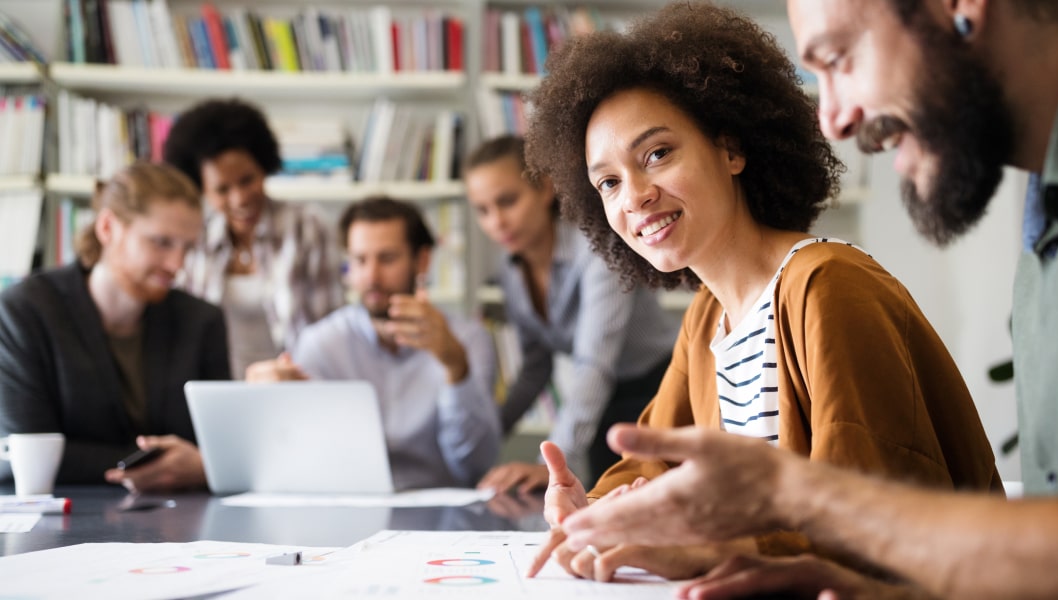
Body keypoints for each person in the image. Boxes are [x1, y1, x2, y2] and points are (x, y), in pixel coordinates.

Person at [555, 0, 1058, 597]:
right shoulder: (1047, 230)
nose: (834, 118)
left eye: (840, 59)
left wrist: (773, 511)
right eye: (607, 182)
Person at [521, 2, 1003, 583]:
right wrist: (596, 513)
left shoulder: (827, 286)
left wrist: (712, 546)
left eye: (657, 154)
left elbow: (877, 515)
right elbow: (652, 467)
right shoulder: (709, 319)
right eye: (609, 182)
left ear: (731, 149)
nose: (635, 196)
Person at [465, 135, 678, 493]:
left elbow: (594, 363)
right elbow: (536, 368)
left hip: (658, 391)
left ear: (545, 189)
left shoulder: (598, 248)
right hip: (605, 400)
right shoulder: (510, 271)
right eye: (483, 210)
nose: (496, 222)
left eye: (507, 201)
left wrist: (550, 466)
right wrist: (487, 437)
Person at [0, 162, 230, 493]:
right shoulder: (25, 311)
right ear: (108, 228)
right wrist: (185, 464)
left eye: (187, 247)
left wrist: (207, 463)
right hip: (67, 519)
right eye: (162, 242)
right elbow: (23, 456)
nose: (177, 264)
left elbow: (219, 447)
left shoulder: (201, 321)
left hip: (182, 521)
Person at [245, 197, 500, 489]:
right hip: (349, 509)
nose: (372, 276)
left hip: (442, 513)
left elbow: (475, 466)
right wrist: (266, 403)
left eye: (387, 258)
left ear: (423, 260)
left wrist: (456, 365)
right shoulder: (322, 343)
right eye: (360, 260)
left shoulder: (466, 340)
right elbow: (296, 455)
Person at [165, 98, 341, 379]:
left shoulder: (308, 228)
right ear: (201, 190)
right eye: (222, 189)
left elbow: (329, 331)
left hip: (295, 386)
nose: (239, 198)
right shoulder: (194, 239)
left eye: (247, 180)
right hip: (217, 387)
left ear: (264, 166)